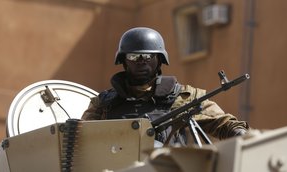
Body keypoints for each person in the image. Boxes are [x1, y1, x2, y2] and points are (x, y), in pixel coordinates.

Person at [82, 27, 249, 146]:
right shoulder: (103, 105)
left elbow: (224, 124)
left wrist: (241, 135)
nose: (141, 61)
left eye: (147, 56)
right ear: (124, 61)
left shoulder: (183, 97)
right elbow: (78, 139)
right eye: (134, 56)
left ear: (159, 60)